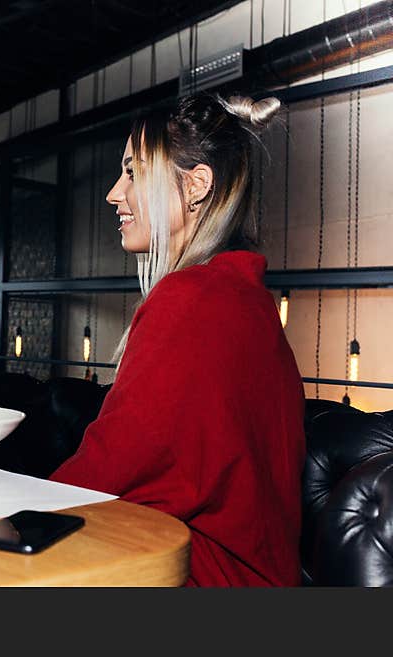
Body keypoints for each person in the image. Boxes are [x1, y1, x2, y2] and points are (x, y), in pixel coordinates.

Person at [50, 93, 305, 587]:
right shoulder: (241, 298)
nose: (112, 193)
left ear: (196, 186)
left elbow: (112, 464)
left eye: (132, 172)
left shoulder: (193, 298)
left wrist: (8, 512)